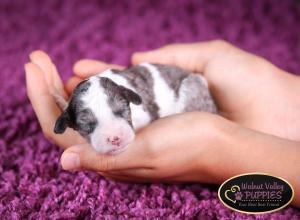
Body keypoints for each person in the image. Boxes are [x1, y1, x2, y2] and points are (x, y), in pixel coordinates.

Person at [25, 40, 300, 207]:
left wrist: (220, 147)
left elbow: (144, 111)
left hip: (185, 93)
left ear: (129, 100)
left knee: (191, 88)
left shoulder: (133, 95)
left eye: (121, 114)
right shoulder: (95, 101)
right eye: (89, 124)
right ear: (70, 123)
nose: (113, 135)